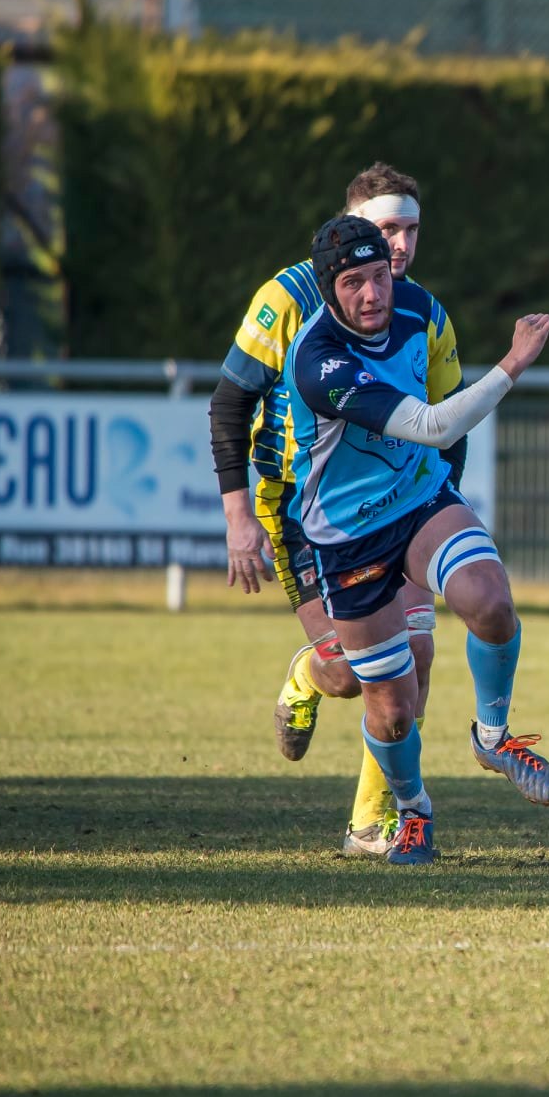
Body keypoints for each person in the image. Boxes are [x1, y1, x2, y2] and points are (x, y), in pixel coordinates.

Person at [282, 215, 549, 864]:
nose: (372, 294)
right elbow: (435, 424)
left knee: (490, 601)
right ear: (329, 290)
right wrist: (514, 363)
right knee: (393, 710)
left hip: (419, 500)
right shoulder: (319, 360)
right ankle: (413, 811)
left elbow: (441, 400)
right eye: (353, 283)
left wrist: (449, 481)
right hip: (349, 537)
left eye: (379, 276)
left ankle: (493, 737)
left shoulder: (418, 309)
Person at [208, 162, 466, 856]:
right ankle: (307, 674)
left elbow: (447, 417)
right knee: (351, 673)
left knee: (415, 652)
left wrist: (440, 506)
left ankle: (371, 823)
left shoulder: (420, 308)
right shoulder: (287, 299)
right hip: (303, 513)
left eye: (411, 230)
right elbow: (230, 403)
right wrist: (239, 519)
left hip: (399, 504)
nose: (400, 245)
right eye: (387, 229)